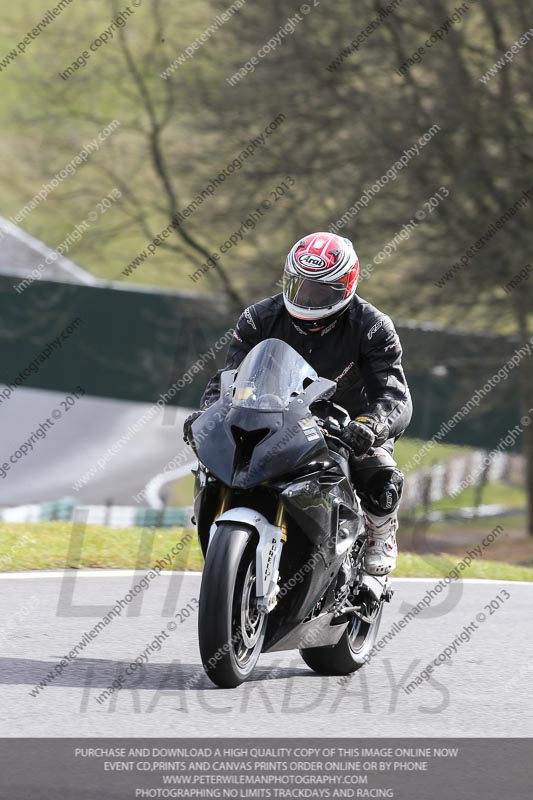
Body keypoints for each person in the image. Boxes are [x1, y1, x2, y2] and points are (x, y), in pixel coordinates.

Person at [184, 232, 412, 576]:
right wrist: (207, 412)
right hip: (276, 411)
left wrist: (371, 426)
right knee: (220, 453)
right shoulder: (257, 318)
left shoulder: (373, 327)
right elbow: (229, 377)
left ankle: (381, 531)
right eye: (299, 286)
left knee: (379, 472)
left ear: (345, 286)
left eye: (319, 291)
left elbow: (395, 395)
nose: (307, 297)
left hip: (347, 425)